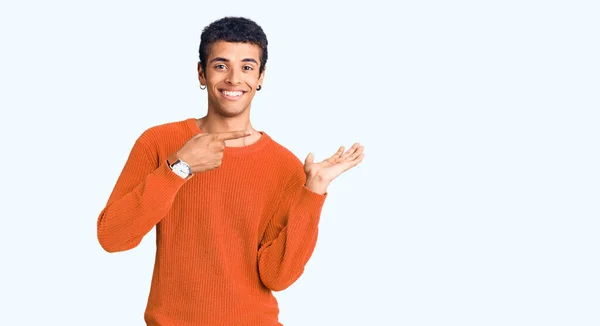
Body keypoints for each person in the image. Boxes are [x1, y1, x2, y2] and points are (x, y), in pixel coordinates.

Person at [97, 16, 364, 326]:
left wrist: (313, 193)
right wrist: (178, 168)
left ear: (261, 77)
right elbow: (113, 237)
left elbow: (278, 277)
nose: (235, 79)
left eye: (248, 67)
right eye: (221, 65)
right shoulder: (159, 143)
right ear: (201, 72)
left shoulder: (285, 167)